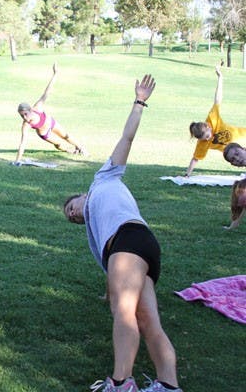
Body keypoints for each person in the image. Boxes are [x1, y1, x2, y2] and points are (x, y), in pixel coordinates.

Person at [63, 75, 182, 392]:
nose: (73, 214)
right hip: (139, 248)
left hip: (130, 241)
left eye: (71, 207)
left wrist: (139, 102)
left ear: (80, 195)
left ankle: (119, 382)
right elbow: (112, 269)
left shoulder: (104, 177)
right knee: (146, 320)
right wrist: (109, 289)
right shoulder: (95, 231)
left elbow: (126, 139)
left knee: (124, 312)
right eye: (72, 219)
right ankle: (169, 385)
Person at [14, 62, 86, 164]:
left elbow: (47, 91)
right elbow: (23, 142)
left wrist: (55, 74)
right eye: (21, 116)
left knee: (65, 136)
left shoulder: (37, 107)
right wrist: (17, 160)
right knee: (58, 145)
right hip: (44, 132)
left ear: (30, 110)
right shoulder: (26, 125)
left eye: (25, 114)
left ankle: (81, 148)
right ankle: (71, 151)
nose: (24, 118)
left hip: (51, 123)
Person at [185, 65, 246, 176]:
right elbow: (195, 159)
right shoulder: (202, 143)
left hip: (241, 136)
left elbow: (217, 99)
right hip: (232, 152)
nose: (208, 139)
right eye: (205, 139)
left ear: (208, 126)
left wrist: (220, 78)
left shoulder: (212, 119)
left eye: (208, 136)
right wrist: (187, 175)